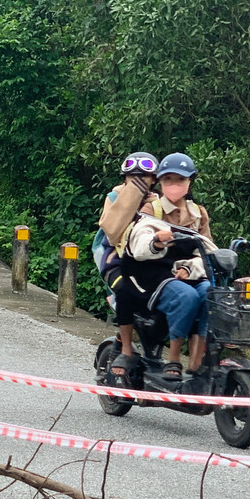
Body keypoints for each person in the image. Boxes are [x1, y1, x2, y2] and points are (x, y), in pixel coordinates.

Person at [120, 151, 215, 379]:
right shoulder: (151, 210)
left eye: (180, 179)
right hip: (150, 275)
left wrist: (189, 268)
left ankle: (196, 360)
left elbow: (207, 251)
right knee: (186, 297)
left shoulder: (198, 214)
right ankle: (173, 359)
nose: (174, 185)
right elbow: (139, 244)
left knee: (212, 294)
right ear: (160, 181)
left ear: (189, 181)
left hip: (186, 274)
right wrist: (156, 240)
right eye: (168, 179)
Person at [96, 152, 160, 375]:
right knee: (126, 291)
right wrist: (133, 194)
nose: (139, 180)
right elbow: (112, 233)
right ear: (125, 177)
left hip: (147, 262)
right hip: (116, 260)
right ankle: (124, 349)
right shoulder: (114, 197)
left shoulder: (158, 204)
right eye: (134, 177)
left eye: (145, 176)